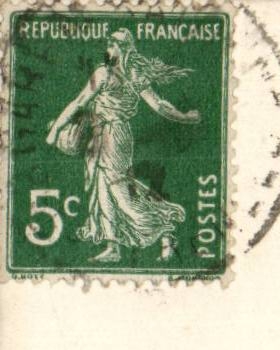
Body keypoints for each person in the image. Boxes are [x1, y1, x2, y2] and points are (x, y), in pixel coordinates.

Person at [45, 28, 200, 264]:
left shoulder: (106, 74)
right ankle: (113, 246)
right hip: (104, 135)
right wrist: (185, 117)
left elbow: (79, 103)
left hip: (112, 135)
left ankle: (165, 229)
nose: (108, 48)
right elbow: (159, 105)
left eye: (111, 44)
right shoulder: (133, 74)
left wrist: (56, 129)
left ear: (122, 48)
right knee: (103, 189)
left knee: (120, 192)